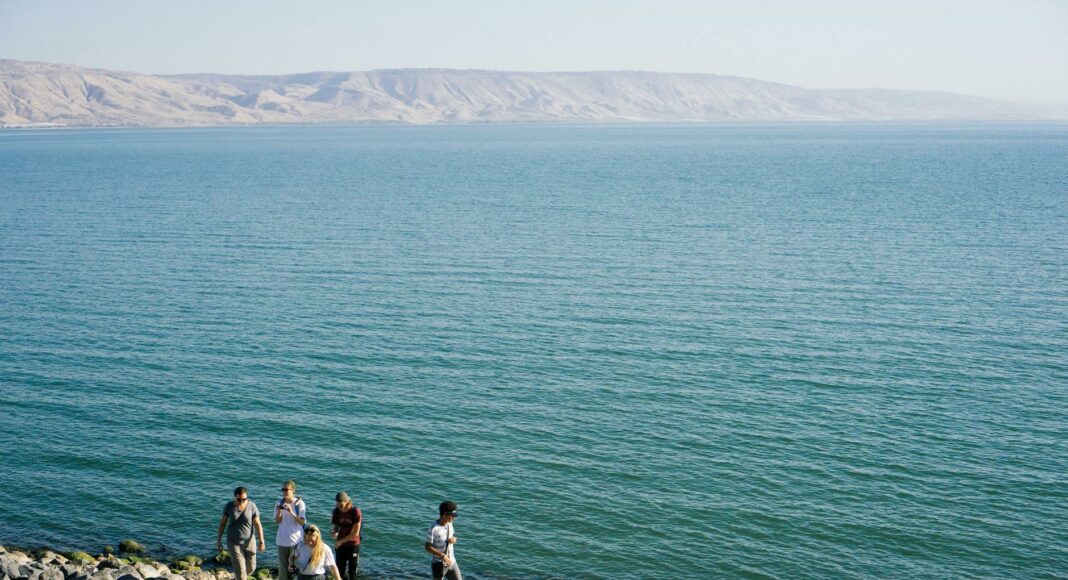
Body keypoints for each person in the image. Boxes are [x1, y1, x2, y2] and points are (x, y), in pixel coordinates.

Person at [216, 486, 266, 580]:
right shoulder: (229, 506)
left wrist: (261, 541)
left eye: (244, 499)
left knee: (251, 568)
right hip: (234, 543)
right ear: (235, 497)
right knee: (241, 572)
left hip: (249, 542)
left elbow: (258, 524)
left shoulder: (252, 506)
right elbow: (222, 523)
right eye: (239, 499)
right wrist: (218, 541)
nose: (242, 502)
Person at [275, 480, 308, 580]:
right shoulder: (279, 502)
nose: (284, 492)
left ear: (293, 490)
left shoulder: (299, 504)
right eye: (283, 489)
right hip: (282, 541)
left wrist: (291, 512)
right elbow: (277, 521)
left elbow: (302, 522)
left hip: (296, 541)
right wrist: (280, 510)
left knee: (294, 568)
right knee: (283, 570)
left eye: (287, 489)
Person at [424, 501, 461, 580]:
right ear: (444, 514)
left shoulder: (450, 524)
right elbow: (427, 547)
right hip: (438, 565)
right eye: (452, 515)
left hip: (452, 562)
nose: (454, 518)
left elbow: (452, 538)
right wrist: (442, 556)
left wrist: (453, 540)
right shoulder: (434, 528)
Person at [330, 492, 362, 580]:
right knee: (339, 572)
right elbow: (336, 526)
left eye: (341, 502)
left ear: (347, 501)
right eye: (337, 502)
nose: (339, 505)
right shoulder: (336, 511)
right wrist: (334, 532)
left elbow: (355, 533)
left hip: (353, 545)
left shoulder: (355, 511)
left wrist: (340, 541)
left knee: (352, 572)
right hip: (341, 546)